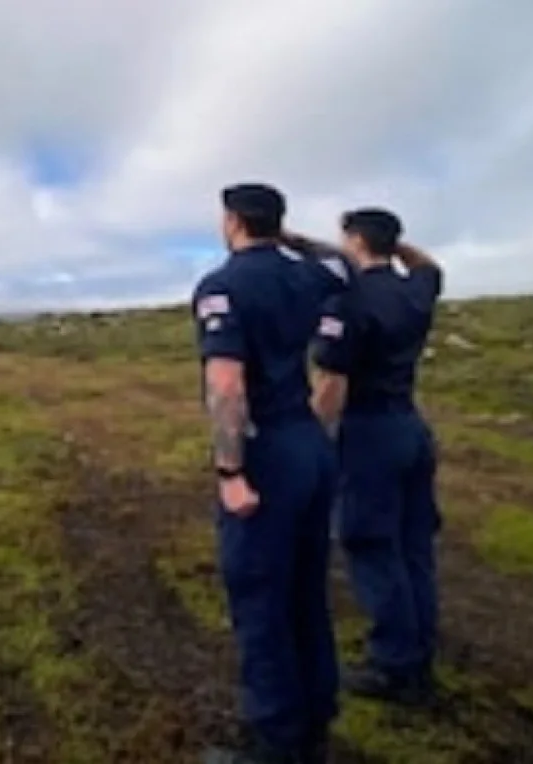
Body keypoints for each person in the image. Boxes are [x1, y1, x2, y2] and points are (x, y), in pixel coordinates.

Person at [194, 183, 350, 764]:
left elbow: (227, 384)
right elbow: (339, 261)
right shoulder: (311, 276)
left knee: (260, 596)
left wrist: (230, 469)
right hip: (308, 443)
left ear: (232, 219)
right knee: (306, 589)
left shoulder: (222, 286)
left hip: (265, 454)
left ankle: (278, 743)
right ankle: (315, 715)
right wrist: (283, 236)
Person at [286, 209, 444, 707]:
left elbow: (332, 383)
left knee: (371, 544)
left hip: (368, 433)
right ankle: (418, 649)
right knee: (413, 544)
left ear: (353, 241)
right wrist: (389, 246)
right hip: (410, 428)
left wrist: (308, 440)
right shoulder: (416, 288)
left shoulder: (348, 300)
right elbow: (427, 264)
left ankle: (395, 666)